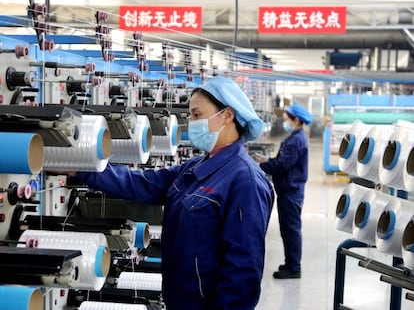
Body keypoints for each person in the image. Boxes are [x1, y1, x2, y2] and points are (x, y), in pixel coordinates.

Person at [73, 76, 275, 309]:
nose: (191, 123)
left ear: (227, 116)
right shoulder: (195, 167)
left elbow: (243, 270)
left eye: (197, 115)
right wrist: (82, 168)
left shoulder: (245, 181)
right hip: (179, 298)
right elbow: (142, 183)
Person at [255, 104, 312, 279]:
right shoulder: (296, 137)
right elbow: (284, 161)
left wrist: (261, 165)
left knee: (290, 229)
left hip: (290, 191)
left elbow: (281, 166)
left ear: (296, 120)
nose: (285, 121)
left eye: (287, 118)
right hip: (290, 189)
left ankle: (294, 267)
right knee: (288, 229)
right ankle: (290, 263)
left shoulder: (295, 140)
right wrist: (268, 159)